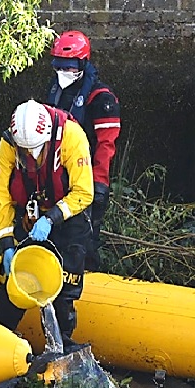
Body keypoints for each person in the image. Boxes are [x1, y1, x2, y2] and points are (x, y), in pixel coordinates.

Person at [0, 100, 94, 351]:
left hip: (67, 216)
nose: (30, 157)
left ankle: (61, 348)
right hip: (31, 214)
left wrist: (52, 218)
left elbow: (84, 191)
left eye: (35, 150)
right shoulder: (8, 145)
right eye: (24, 151)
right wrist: (6, 242)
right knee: (10, 282)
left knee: (64, 284)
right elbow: (0, 194)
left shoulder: (72, 137)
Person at [45, 30, 121, 270]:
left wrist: (99, 186)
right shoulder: (57, 89)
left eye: (70, 67)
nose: (64, 72)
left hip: (85, 177)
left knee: (84, 240)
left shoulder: (101, 99)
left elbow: (105, 146)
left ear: (83, 63)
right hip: (58, 175)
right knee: (55, 235)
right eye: (59, 66)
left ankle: (82, 284)